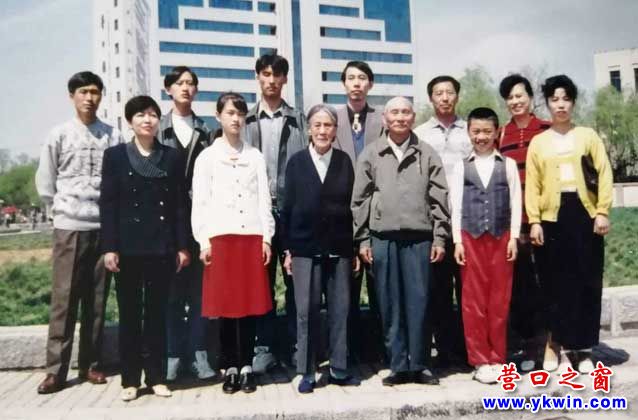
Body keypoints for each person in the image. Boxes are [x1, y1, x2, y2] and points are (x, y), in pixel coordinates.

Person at [35, 71, 124, 394]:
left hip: (103, 227)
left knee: (97, 301)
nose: (89, 98)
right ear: (71, 96)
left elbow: (119, 181)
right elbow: (46, 182)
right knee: (64, 300)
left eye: (95, 92)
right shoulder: (59, 134)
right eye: (83, 92)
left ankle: (92, 364)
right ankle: (55, 371)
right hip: (69, 227)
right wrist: (60, 212)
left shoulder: (113, 135)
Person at [351, 97, 449, 386]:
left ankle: (419, 364)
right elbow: (359, 200)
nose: (400, 117)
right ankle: (397, 365)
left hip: (420, 238)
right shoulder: (371, 153)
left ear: (413, 117)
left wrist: (440, 237)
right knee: (389, 303)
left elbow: (439, 198)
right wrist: (363, 239)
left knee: (420, 302)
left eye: (405, 112)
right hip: (383, 238)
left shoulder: (427, 153)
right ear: (385, 118)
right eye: (394, 112)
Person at [100, 95, 190, 401]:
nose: (147, 120)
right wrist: (109, 247)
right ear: (130, 121)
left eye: (152, 114)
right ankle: (130, 380)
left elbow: (179, 205)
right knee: (129, 314)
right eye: (140, 115)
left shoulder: (171, 157)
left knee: (156, 314)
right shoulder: (115, 157)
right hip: (127, 248)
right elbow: (108, 204)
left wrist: (182, 246)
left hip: (161, 247)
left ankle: (156, 377)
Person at [526, 75, 613, 374]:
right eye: (554, 99)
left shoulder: (588, 136)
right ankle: (561, 349)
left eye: (566, 99)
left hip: (585, 214)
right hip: (551, 218)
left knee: (587, 281)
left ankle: (585, 350)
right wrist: (534, 220)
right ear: (547, 104)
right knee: (556, 284)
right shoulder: (539, 142)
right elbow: (533, 185)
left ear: (573, 102)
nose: (560, 104)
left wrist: (602, 211)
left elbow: (604, 173)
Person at [192, 92, 276, 394]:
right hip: (221, 238)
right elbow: (200, 202)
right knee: (226, 307)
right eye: (230, 113)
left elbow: (264, 200)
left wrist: (267, 238)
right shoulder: (207, 157)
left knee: (250, 306)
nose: (236, 119)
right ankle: (229, 366)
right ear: (218, 116)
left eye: (240, 114)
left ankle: (246, 366)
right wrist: (203, 240)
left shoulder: (254, 156)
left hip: (250, 237)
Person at [280, 104, 358, 393]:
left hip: (339, 247)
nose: (323, 131)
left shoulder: (344, 161)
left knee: (340, 309)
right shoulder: (297, 162)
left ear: (335, 130)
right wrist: (287, 250)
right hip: (304, 247)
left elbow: (352, 207)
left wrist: (353, 248)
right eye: (318, 125)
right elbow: (287, 208)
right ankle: (307, 371)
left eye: (328, 125)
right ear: (309, 129)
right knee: (306, 310)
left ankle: (339, 367)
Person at [244, 53, 308, 372]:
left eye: (277, 75)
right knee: (260, 282)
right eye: (266, 74)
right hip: (256, 214)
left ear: (285, 79)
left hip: (292, 212)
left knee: (297, 281)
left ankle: (298, 346)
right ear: (258, 77)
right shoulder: (245, 120)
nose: (271, 80)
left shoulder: (300, 120)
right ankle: (264, 348)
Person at [451, 107, 522, 384]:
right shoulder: (462, 166)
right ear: (469, 132)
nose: (481, 137)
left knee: (499, 301)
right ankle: (480, 360)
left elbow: (516, 202)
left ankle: (498, 358)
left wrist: (514, 237)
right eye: (476, 131)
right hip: (470, 237)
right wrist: (457, 241)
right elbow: (456, 206)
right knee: (473, 302)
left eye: (487, 132)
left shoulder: (507, 164)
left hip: (501, 238)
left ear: (497, 133)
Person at [157, 66, 217, 382]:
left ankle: (198, 353)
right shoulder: (157, 128)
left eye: (191, 83)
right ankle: (172, 354)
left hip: (200, 219)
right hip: (166, 221)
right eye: (180, 82)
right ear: (168, 88)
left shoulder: (206, 130)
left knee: (199, 292)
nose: (186, 87)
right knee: (170, 292)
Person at [413, 75, 471, 368]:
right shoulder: (420, 134)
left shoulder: (470, 131)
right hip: (434, 222)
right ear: (431, 98)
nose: (445, 97)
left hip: (467, 220)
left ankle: (469, 349)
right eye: (439, 93)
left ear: (457, 96)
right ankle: (446, 351)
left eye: (449, 92)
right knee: (438, 289)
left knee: (467, 288)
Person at [498, 74, 551, 372]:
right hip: (514, 224)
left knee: (547, 285)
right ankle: (528, 346)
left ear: (530, 97)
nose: (515, 101)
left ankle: (551, 346)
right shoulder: (501, 134)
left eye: (520, 95)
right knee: (522, 288)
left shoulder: (546, 129)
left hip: (544, 220)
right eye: (510, 97)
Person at [332, 60, 384, 363]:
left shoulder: (382, 119)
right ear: (344, 84)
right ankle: (349, 350)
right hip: (341, 212)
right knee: (346, 285)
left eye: (362, 78)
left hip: (376, 209)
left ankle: (380, 349)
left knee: (379, 284)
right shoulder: (332, 118)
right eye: (351, 78)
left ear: (370, 84)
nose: (356, 83)